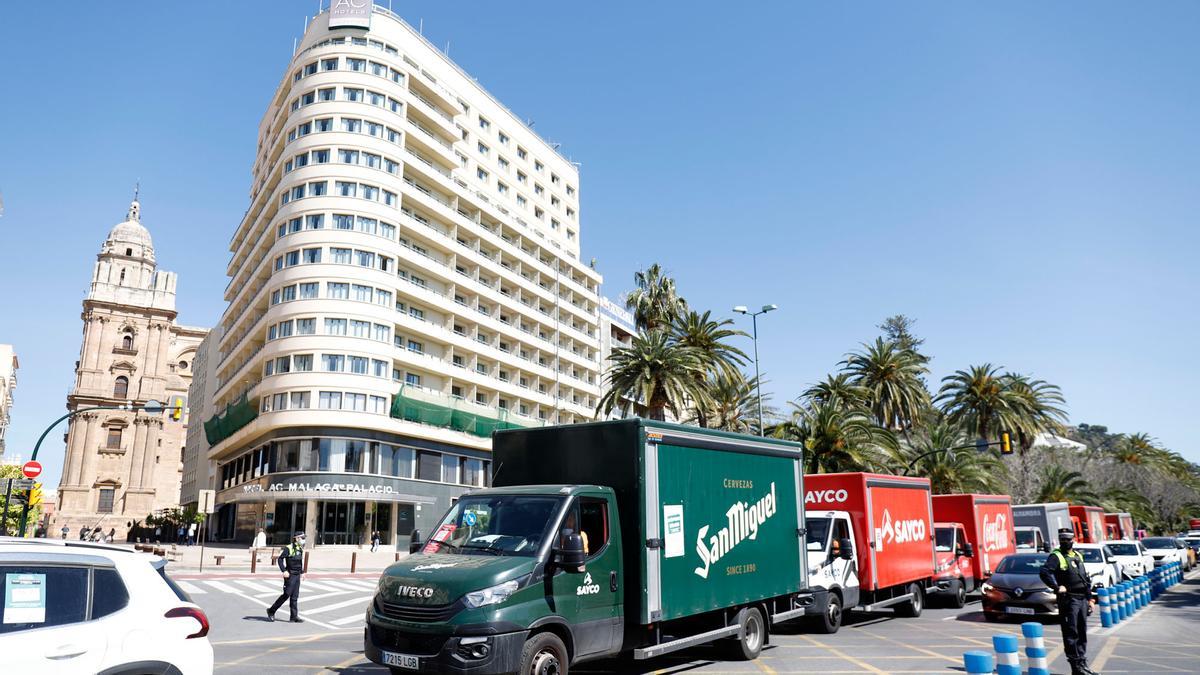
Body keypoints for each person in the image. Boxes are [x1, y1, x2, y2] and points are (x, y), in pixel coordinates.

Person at [1040, 528, 1100, 675]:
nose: (1065, 542)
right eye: (1062, 540)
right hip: (1069, 600)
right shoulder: (1056, 556)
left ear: (1073, 539)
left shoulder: (1078, 555)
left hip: (1082, 599)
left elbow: (1084, 578)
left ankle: (1082, 663)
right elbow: (1045, 572)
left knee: (1082, 633)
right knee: (1071, 633)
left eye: (1068, 539)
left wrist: (1090, 598)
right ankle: (1076, 667)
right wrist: (1056, 587)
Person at [267, 531, 306, 623]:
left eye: (304, 538)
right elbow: (280, 559)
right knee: (287, 594)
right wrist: (284, 570)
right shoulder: (289, 548)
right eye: (302, 538)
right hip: (290, 575)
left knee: (295, 597)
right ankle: (271, 610)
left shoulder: (300, 548)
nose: (304, 540)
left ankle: (294, 616)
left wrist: (303, 572)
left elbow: (299, 562)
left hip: (297, 575)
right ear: (296, 538)